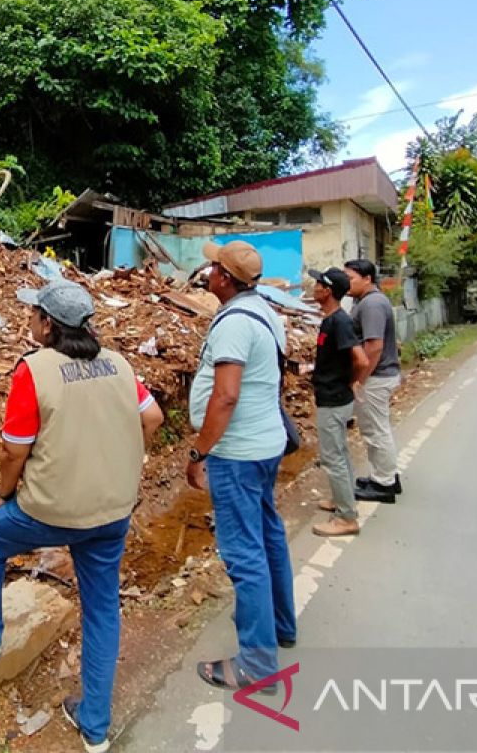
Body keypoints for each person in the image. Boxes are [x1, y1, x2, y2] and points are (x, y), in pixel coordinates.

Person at [0, 279, 163, 753]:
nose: (29, 321)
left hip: (49, 511)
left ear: (47, 324)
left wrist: (1, 498)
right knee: (103, 608)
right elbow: (153, 421)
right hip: (112, 511)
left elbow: (14, 453)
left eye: (33, 315)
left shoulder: (35, 370)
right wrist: (127, 463)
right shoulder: (119, 363)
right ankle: (95, 727)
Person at [185, 240, 295, 695]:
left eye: (213, 267)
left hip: (238, 452)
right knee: (268, 534)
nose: (207, 272)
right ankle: (282, 625)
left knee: (243, 552)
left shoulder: (233, 324)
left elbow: (226, 395)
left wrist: (199, 452)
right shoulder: (266, 312)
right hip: (265, 444)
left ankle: (257, 665)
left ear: (225, 278)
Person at [308, 268, 369, 537]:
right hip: (331, 397)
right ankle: (341, 499)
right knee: (339, 453)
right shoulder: (330, 320)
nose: (315, 286)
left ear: (328, 291)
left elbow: (362, 360)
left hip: (334, 400)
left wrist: (352, 381)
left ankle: (346, 518)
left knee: (333, 458)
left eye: (319, 283)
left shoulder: (340, 323)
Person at [343, 259, 403, 504]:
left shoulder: (372, 304)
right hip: (377, 376)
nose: (347, 282)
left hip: (376, 378)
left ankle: (384, 483)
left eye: (351, 278)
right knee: (374, 429)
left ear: (367, 279)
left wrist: (359, 379)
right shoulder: (365, 302)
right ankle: (384, 476)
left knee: (376, 431)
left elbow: (374, 346)